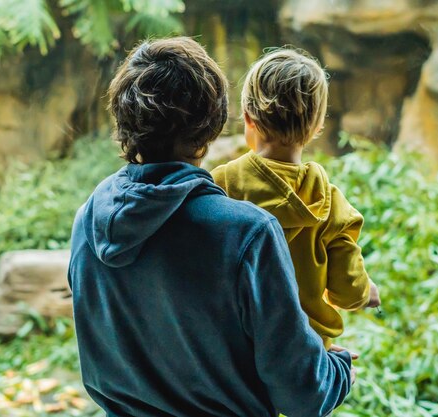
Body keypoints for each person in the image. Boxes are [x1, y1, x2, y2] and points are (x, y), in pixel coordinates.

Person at [68, 37, 355, 417]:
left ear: (122, 120)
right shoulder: (247, 233)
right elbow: (302, 394)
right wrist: (338, 368)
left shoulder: (87, 220)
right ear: (213, 126)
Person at [211, 48, 381, 350]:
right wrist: (367, 291)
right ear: (317, 128)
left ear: (248, 119)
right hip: (305, 348)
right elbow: (348, 291)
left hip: (236, 346)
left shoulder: (223, 183)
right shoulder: (329, 201)